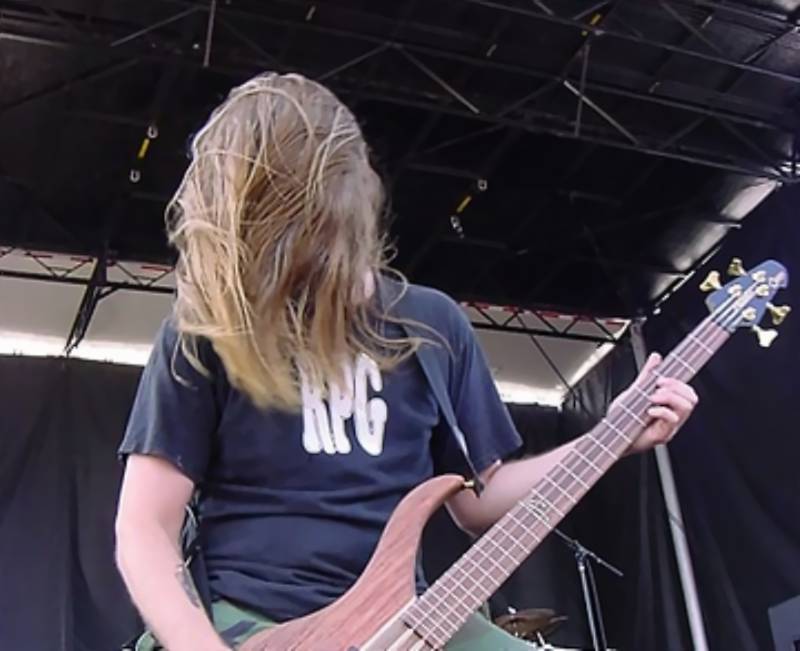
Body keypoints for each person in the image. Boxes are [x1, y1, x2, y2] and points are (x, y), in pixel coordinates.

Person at [115, 73, 698, 651]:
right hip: (258, 624)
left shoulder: (431, 325)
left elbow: (479, 500)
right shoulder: (210, 330)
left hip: (408, 625)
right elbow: (144, 526)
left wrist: (611, 437)